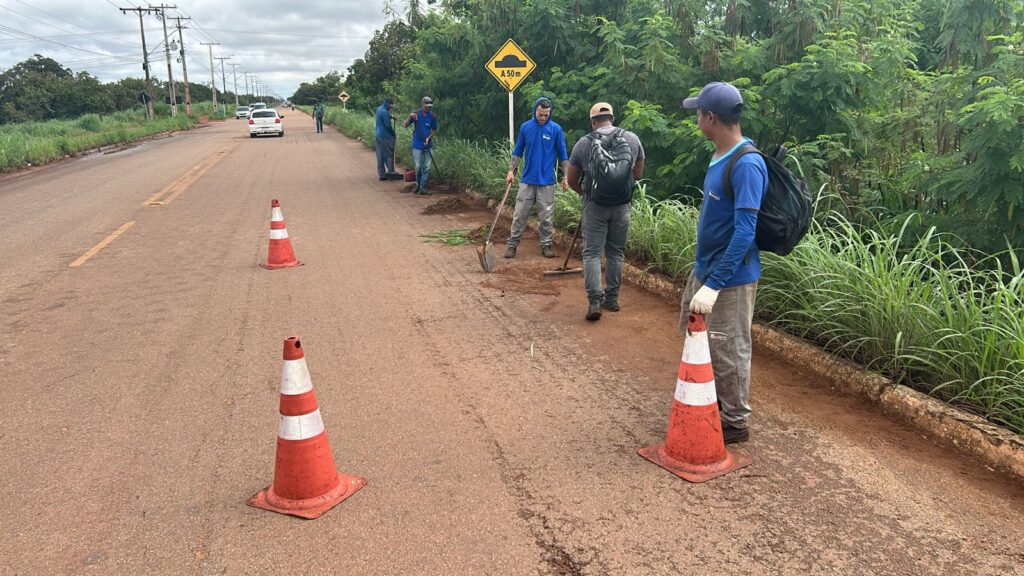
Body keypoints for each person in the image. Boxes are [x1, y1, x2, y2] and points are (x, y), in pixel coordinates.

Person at [679, 81, 767, 445]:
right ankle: (705, 401)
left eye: (698, 113)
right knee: (694, 333)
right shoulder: (718, 156)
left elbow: (745, 232)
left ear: (710, 118)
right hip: (705, 267)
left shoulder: (747, 165)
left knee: (728, 347)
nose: (696, 119)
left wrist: (715, 284)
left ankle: (733, 422)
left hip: (730, 277)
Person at [566, 102, 644, 321]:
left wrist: (586, 193)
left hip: (595, 206)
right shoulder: (632, 139)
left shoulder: (584, 144)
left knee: (592, 253)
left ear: (592, 122)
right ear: (613, 118)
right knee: (616, 252)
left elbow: (572, 179)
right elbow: (637, 174)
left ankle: (594, 302)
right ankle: (612, 299)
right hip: (622, 206)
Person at [504, 97, 569, 259]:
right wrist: (511, 171)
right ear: (535, 111)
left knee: (546, 216)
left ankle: (546, 245)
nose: (543, 118)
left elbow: (563, 155)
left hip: (547, 182)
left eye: (546, 115)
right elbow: (518, 151)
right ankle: (512, 245)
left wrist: (566, 176)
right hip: (527, 180)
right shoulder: (526, 127)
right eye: (540, 114)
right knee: (520, 214)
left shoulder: (555, 130)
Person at [403, 96, 437, 195]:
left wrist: (428, 137)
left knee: (427, 167)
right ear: (422, 105)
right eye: (426, 106)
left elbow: (434, 129)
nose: (428, 108)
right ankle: (417, 185)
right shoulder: (416, 115)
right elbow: (405, 125)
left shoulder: (432, 116)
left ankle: (422, 187)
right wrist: (410, 116)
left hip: (428, 145)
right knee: (418, 167)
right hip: (417, 145)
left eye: (429, 107)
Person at [375, 97, 396, 181]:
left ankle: (382, 175)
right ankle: (391, 173)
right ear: (387, 104)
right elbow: (388, 125)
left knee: (380, 155)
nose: (391, 108)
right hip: (386, 137)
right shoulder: (384, 112)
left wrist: (391, 117)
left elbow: (384, 117)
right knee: (389, 155)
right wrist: (393, 133)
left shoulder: (379, 109)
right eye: (390, 106)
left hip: (378, 135)